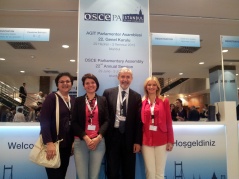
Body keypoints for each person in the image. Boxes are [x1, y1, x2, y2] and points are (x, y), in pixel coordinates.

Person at [103, 67, 142, 179]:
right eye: (123, 77)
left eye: (128, 77)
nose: (125, 79)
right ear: (118, 78)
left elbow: (138, 122)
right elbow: (104, 116)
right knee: (112, 170)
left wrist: (137, 141)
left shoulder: (136, 96)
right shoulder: (108, 93)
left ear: (132, 79)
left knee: (128, 170)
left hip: (129, 139)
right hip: (112, 136)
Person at [71, 73, 109, 179]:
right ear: (83, 86)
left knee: (94, 176)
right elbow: (74, 122)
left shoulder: (103, 100)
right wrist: (86, 138)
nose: (90, 85)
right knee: (82, 176)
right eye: (87, 83)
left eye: (92, 82)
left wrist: (99, 137)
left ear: (96, 84)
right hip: (81, 142)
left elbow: (107, 121)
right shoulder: (78, 101)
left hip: (98, 142)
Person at [40, 72, 75, 179]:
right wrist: (49, 143)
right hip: (53, 145)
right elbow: (44, 121)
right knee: (54, 176)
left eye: (68, 81)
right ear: (57, 85)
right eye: (62, 82)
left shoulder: (72, 100)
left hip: (67, 145)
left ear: (71, 84)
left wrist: (73, 141)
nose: (65, 84)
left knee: (62, 175)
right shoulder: (51, 98)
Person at [141, 77, 174, 179]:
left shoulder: (164, 101)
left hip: (162, 139)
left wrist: (170, 141)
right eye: (149, 85)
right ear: (146, 87)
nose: (151, 87)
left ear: (157, 87)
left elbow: (169, 121)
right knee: (150, 172)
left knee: (159, 173)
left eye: (154, 85)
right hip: (146, 140)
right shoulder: (142, 101)